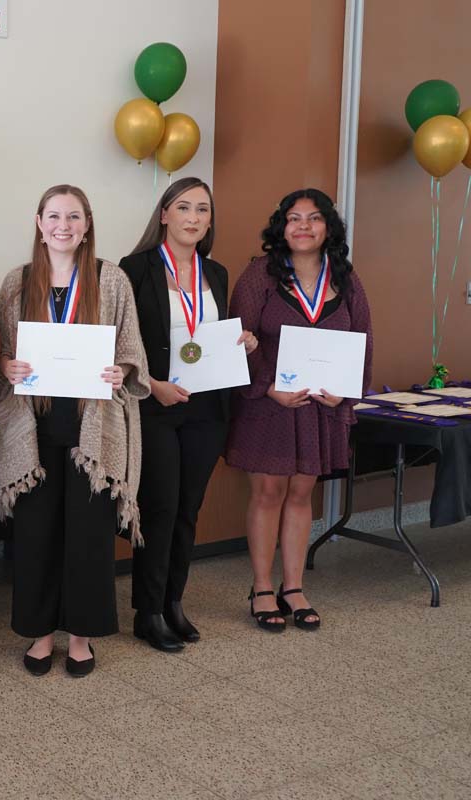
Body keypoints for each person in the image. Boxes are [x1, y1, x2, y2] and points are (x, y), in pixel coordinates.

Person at [0, 184, 149, 678]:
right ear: (39, 223)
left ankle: (80, 636)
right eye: (53, 216)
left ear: (87, 224)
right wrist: (6, 365)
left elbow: (131, 349)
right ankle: (40, 634)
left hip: (92, 432)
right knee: (36, 536)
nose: (63, 226)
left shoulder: (111, 279)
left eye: (74, 217)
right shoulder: (17, 282)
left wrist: (121, 371)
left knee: (88, 537)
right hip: (32, 430)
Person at [119, 178, 258, 652]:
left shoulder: (215, 272)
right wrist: (151, 384)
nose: (193, 218)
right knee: (160, 508)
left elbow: (211, 336)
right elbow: (122, 339)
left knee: (187, 510)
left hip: (206, 407)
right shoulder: (134, 269)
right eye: (183, 207)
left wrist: (243, 343)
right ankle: (149, 612)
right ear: (164, 214)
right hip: (156, 404)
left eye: (202, 209)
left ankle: (173, 601)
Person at [226, 188, 372, 632]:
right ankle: (261, 588)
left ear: (329, 227)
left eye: (314, 218)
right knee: (268, 494)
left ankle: (293, 587)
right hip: (268, 406)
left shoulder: (345, 278)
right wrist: (267, 388)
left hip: (316, 409)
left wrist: (344, 392)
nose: (303, 226)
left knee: (301, 495)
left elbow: (362, 341)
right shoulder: (260, 274)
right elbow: (237, 340)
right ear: (282, 226)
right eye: (294, 218)